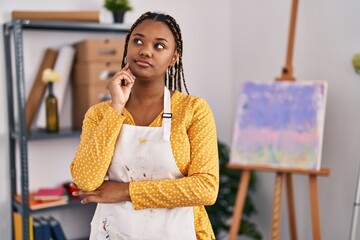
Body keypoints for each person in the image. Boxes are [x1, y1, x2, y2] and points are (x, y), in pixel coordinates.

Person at [70, 11, 219, 240]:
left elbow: (206, 188)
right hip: (115, 232)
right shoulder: (100, 114)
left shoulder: (193, 110)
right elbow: (86, 180)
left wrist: (125, 191)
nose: (145, 50)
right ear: (127, 46)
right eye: (137, 41)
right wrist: (116, 106)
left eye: (159, 46)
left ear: (174, 57)